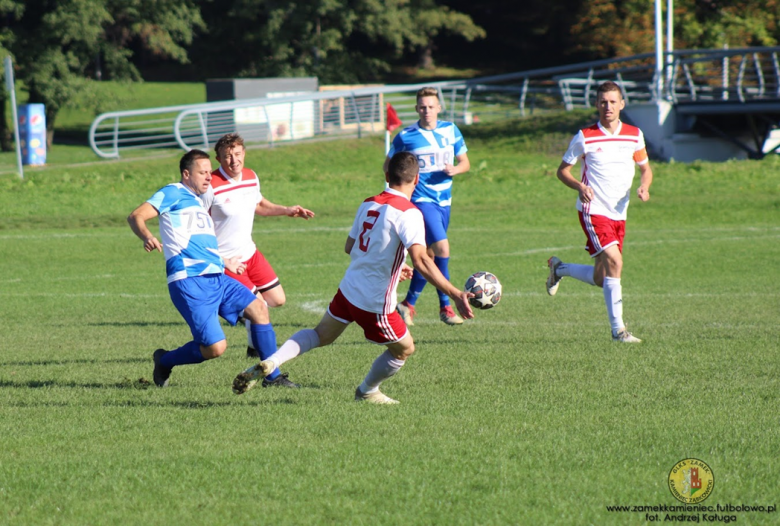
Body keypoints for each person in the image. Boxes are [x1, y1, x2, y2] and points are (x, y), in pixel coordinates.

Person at [232, 152, 474, 403]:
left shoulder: (369, 203)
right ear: (417, 179)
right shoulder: (409, 212)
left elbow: (351, 246)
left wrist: (392, 264)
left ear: (386, 175)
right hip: (375, 301)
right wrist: (455, 294)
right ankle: (367, 391)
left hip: (349, 289)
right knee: (404, 349)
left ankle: (273, 360)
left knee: (320, 335)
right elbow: (423, 260)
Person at [127, 149, 279, 387]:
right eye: (203, 172)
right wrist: (147, 236)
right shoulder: (173, 192)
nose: (209, 177)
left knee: (259, 308)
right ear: (186, 174)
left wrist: (224, 261)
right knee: (215, 348)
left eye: (210, 172)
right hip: (190, 280)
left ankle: (273, 377)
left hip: (217, 276)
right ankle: (165, 360)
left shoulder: (199, 202)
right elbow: (136, 216)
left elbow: (200, 240)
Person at [200, 133, 314, 389]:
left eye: (237, 153)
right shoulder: (211, 185)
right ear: (218, 158)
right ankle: (271, 375)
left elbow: (260, 205)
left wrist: (287, 210)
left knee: (277, 300)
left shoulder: (251, 176)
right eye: (227, 155)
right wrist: (221, 258)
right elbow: (199, 226)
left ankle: (253, 340)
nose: (233, 159)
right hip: (228, 261)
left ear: (244, 154)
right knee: (260, 306)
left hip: (250, 253)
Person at [546, 80, 653, 343]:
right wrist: (579, 186)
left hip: (620, 213)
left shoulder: (634, 134)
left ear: (621, 104)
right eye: (603, 102)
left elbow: (645, 168)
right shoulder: (585, 136)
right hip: (593, 210)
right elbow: (562, 171)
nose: (608, 106)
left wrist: (644, 186)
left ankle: (559, 269)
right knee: (615, 262)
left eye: (613, 101)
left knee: (600, 276)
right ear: (596, 104)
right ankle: (619, 331)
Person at [384, 86, 471, 327]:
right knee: (442, 249)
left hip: (445, 201)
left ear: (439, 108)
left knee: (429, 255)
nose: (427, 111)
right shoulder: (406, 136)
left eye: (431, 106)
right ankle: (446, 306)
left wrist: (456, 169)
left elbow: (465, 162)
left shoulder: (451, 130)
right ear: (416, 109)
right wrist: (396, 194)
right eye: (422, 107)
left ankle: (407, 304)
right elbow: (388, 166)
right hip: (420, 201)